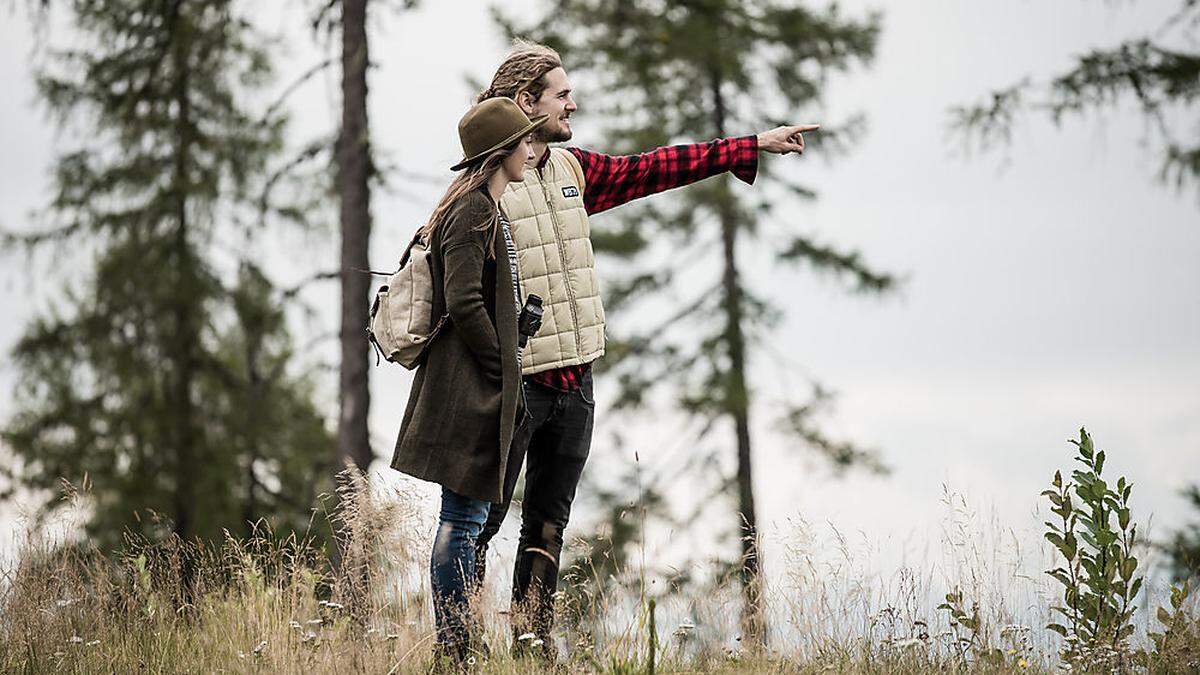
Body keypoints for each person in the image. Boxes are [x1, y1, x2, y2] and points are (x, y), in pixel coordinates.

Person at [470, 40, 820, 659]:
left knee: (547, 528)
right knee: (478, 526)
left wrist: (750, 144)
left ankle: (530, 649)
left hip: (575, 386)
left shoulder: (574, 170)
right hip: (514, 388)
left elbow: (658, 166)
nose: (574, 104)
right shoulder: (486, 184)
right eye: (562, 94)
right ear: (527, 101)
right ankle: (456, 652)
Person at [388, 97, 547, 663]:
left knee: (467, 516)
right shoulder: (475, 212)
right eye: (525, 142)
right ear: (501, 151)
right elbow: (462, 301)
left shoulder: (486, 209)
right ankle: (456, 650)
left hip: (478, 384)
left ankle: (457, 648)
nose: (533, 150)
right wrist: (502, 368)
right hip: (469, 389)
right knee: (462, 519)